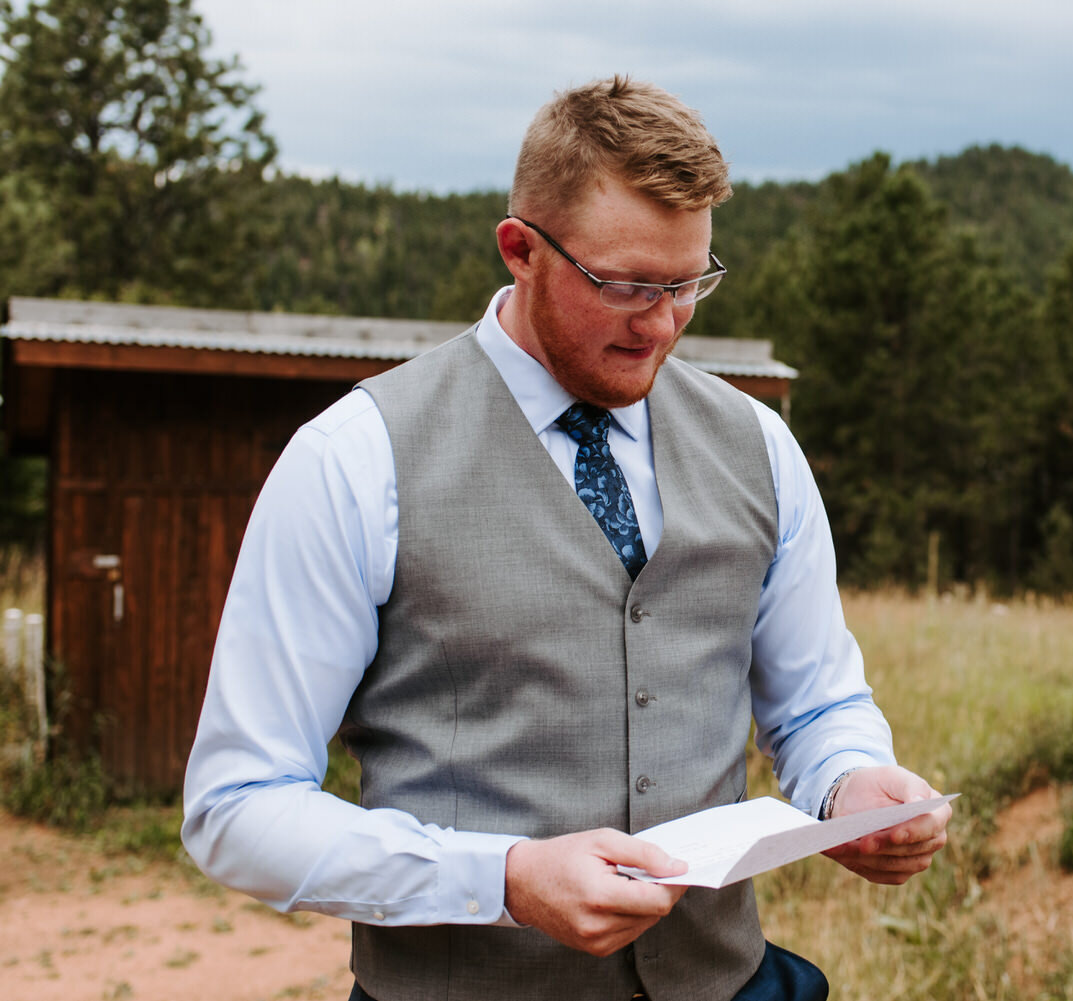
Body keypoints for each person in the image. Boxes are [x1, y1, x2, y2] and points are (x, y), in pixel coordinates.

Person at [182, 76, 951, 1001]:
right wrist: (501, 878)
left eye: (688, 284)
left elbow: (818, 703)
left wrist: (849, 783)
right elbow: (235, 808)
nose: (663, 324)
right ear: (522, 250)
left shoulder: (761, 448)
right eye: (627, 286)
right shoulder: (355, 459)